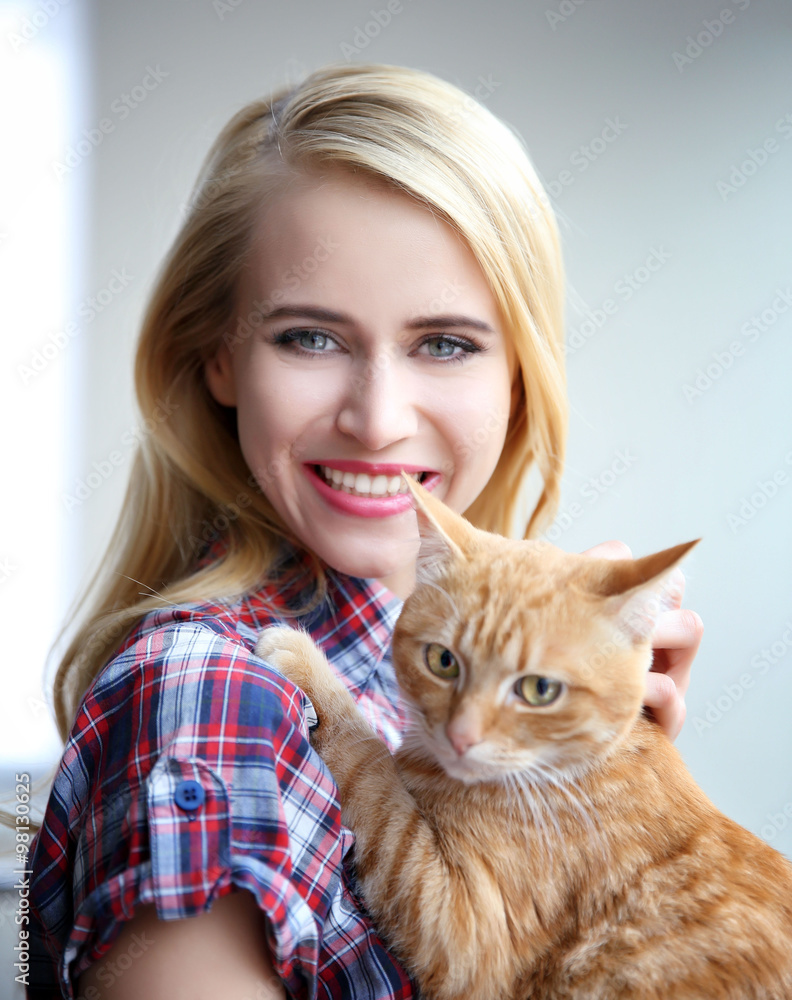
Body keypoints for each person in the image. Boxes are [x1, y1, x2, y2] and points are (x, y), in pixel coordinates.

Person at [25, 62, 703, 999]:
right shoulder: (211, 697)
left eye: (445, 343)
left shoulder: (408, 651)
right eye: (310, 337)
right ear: (218, 357)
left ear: (518, 375)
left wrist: (600, 783)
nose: (378, 419)